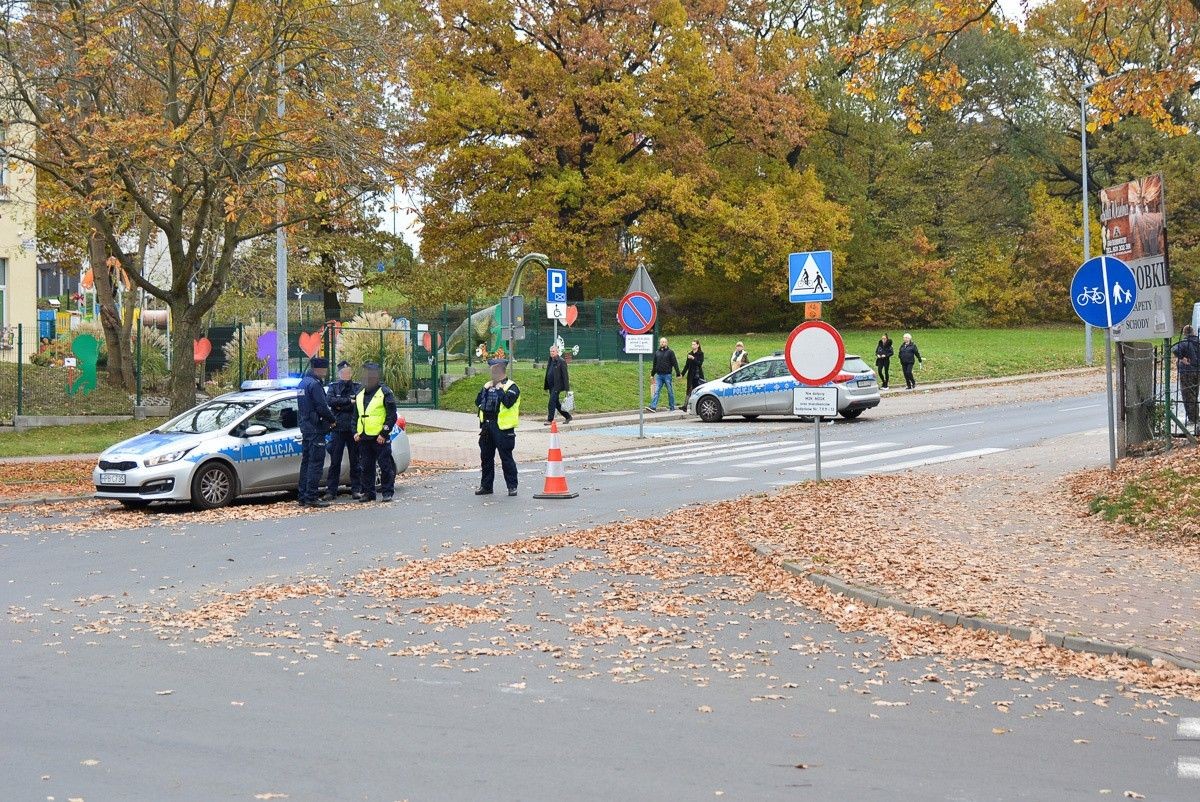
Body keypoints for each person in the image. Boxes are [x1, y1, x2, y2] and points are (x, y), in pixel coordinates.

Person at [353, 362, 399, 503]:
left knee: (385, 466)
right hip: (364, 436)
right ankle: (368, 493)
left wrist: (384, 434)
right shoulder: (360, 393)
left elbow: (392, 415)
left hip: (379, 437)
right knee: (366, 467)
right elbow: (356, 415)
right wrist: (355, 431)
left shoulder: (385, 392)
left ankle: (387, 492)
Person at [476, 360, 521, 496]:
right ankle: (486, 486)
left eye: (493, 368)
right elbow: (478, 402)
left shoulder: (512, 387)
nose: (491, 371)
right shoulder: (487, 385)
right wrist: (486, 389)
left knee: (506, 458)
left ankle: (512, 486)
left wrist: (500, 389)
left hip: (502, 428)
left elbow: (507, 402)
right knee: (486, 458)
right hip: (487, 426)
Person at [297, 356, 335, 508]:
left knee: (306, 463)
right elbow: (322, 407)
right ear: (319, 369)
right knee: (316, 464)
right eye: (324, 369)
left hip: (306, 428)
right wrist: (332, 419)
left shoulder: (302, 383)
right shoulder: (314, 385)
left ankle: (303, 495)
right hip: (316, 428)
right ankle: (311, 496)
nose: (325, 372)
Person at [324, 360, 363, 501]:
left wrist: (340, 405)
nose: (346, 374)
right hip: (338, 429)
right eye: (343, 373)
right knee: (335, 461)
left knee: (355, 461)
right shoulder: (333, 387)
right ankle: (331, 491)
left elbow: (359, 403)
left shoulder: (358, 387)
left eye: (349, 372)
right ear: (339, 374)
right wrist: (348, 402)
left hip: (353, 429)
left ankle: (356, 489)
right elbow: (330, 401)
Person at [1173, 325, 1200, 431]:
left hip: (1187, 371)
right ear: (1193, 332)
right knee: (1195, 393)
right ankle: (1195, 416)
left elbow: (1175, 350)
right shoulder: (1197, 342)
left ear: (1184, 333)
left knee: (1188, 395)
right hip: (1197, 371)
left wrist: (1182, 358)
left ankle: (1193, 418)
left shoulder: (1183, 343)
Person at [646, 337, 681, 412]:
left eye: (664, 342)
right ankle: (653, 407)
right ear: (660, 343)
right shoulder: (657, 352)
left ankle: (672, 407)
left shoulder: (670, 352)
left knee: (670, 391)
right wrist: (652, 374)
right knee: (657, 391)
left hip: (667, 375)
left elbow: (675, 363)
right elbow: (655, 364)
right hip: (658, 375)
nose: (662, 343)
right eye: (661, 342)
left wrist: (678, 373)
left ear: (667, 343)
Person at [544, 345, 572, 425]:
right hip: (551, 386)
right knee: (556, 403)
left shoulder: (561, 361)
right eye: (551, 351)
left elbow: (565, 376)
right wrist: (546, 385)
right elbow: (548, 373)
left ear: (557, 352)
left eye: (553, 351)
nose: (551, 353)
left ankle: (550, 420)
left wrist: (567, 389)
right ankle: (568, 416)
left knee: (551, 402)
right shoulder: (550, 360)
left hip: (557, 386)